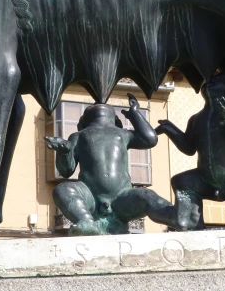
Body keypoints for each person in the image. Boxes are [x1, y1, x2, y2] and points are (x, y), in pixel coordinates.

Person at [45, 93, 173, 235]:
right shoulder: (79, 136)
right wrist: (65, 152)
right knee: (62, 190)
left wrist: (135, 114)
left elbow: (150, 139)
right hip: (90, 197)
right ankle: (86, 221)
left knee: (147, 196)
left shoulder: (123, 134)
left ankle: (173, 215)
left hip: (122, 197)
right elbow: (66, 170)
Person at [155, 71, 225, 230]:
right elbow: (189, 147)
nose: (210, 82)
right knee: (182, 181)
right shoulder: (196, 119)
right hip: (205, 179)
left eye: (217, 80)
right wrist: (168, 128)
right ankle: (193, 223)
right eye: (209, 81)